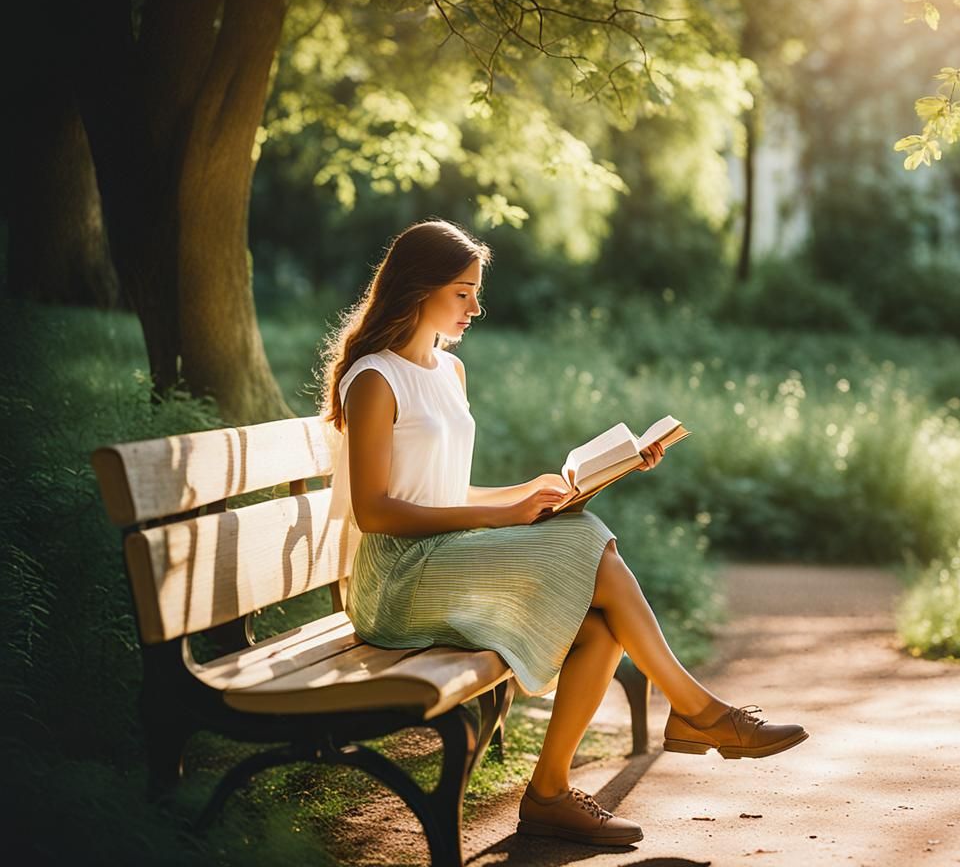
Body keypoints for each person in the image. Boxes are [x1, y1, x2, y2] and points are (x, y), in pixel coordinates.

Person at [320, 218, 808, 847]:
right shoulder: (374, 378)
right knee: (588, 540)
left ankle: (549, 792)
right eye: (463, 292)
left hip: (444, 558)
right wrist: (505, 515)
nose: (475, 307)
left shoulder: (449, 371)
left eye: (475, 292)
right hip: (397, 581)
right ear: (419, 287)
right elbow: (377, 512)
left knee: (599, 624)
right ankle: (697, 711)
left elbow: (439, 491)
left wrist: (529, 492)